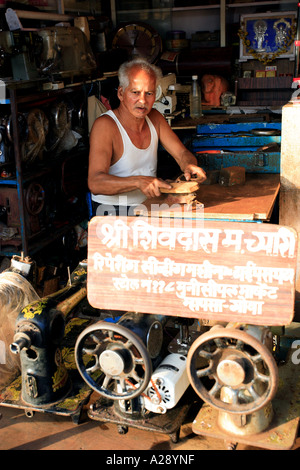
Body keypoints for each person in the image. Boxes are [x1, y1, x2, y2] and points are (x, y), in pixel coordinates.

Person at [88, 57, 206, 215]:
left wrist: (189, 165)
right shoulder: (106, 125)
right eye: (135, 92)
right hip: (112, 211)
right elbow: (95, 183)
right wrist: (138, 181)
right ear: (121, 93)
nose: (142, 101)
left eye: (149, 93)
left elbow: (181, 153)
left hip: (148, 206)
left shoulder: (155, 118)